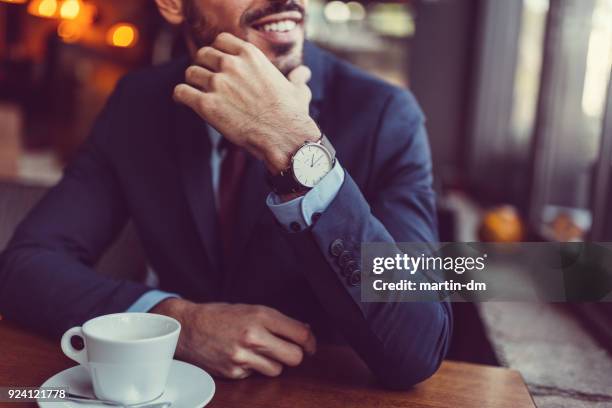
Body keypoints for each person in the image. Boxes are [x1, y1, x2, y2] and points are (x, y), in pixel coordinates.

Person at [0, 0, 452, 389]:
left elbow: (416, 349)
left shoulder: (385, 114)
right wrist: (177, 324)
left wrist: (294, 146)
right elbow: (25, 266)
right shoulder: (138, 103)